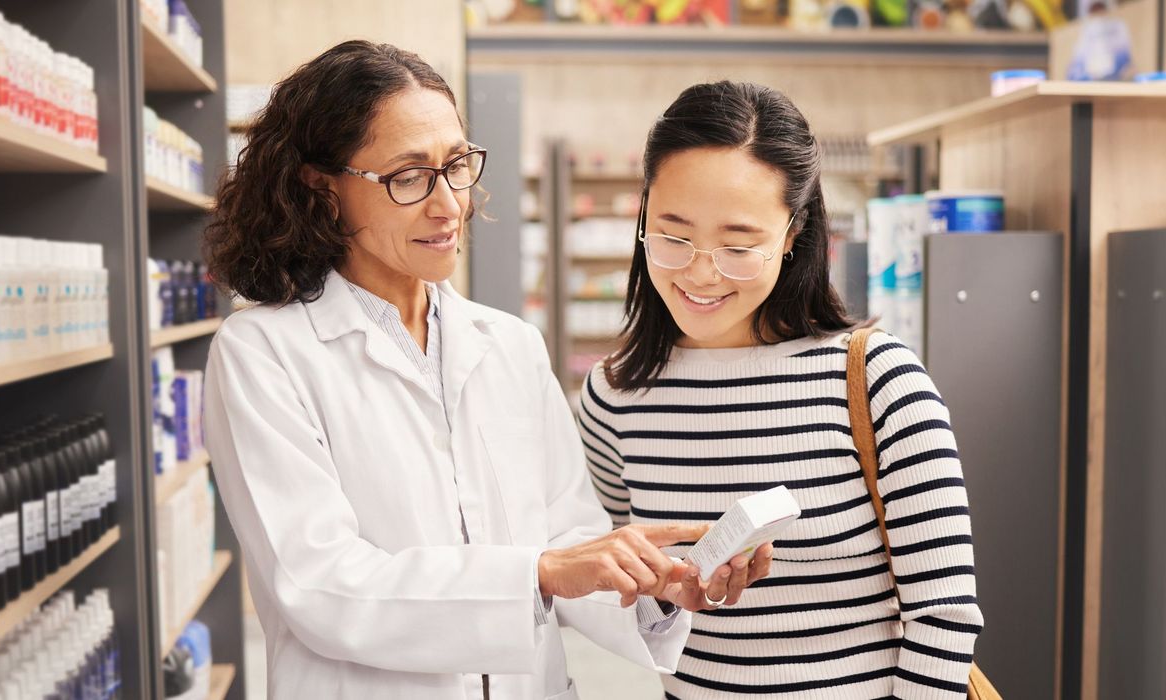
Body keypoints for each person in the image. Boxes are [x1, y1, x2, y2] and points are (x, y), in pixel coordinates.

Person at [200, 41, 771, 699]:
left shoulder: (509, 345)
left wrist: (652, 582)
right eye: (407, 176)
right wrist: (541, 572)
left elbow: (565, 536)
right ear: (320, 186)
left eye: (456, 166)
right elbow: (319, 582)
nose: (448, 206)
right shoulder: (264, 353)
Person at [577, 81, 984, 698]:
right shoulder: (613, 396)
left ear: (792, 235)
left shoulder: (878, 380)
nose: (700, 272)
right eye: (673, 234)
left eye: (739, 245)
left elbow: (944, 615)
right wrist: (662, 590)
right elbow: (615, 598)